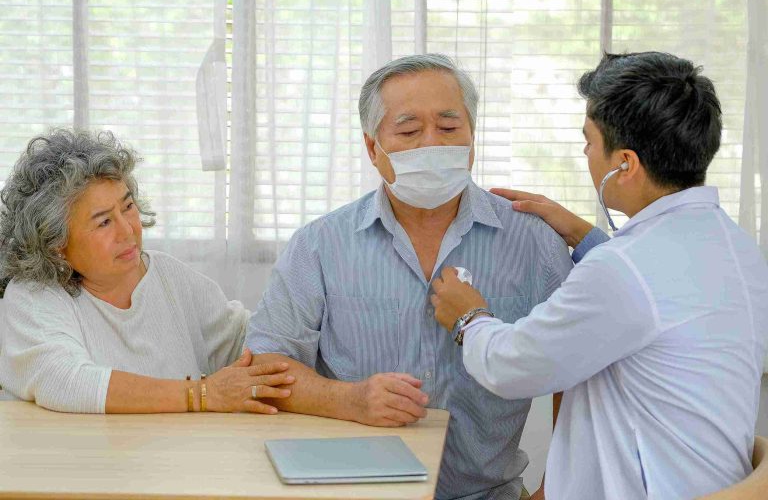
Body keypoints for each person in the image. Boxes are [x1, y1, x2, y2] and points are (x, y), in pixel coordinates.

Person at [430, 51, 768, 500]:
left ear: (624, 164)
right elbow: (657, 301)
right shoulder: (736, 248)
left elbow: (513, 365)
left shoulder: (626, 268)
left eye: (588, 142)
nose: (586, 154)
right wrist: (586, 236)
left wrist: (468, 316)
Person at [244, 53, 573, 500]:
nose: (432, 144)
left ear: (472, 138)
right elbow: (264, 368)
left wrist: (558, 488)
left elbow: (580, 372)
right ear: (372, 148)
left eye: (449, 127)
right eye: (409, 130)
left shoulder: (534, 240)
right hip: (352, 492)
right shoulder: (319, 245)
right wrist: (349, 400)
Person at [0, 129, 294, 414]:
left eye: (127, 207)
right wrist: (203, 395)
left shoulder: (168, 275)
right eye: (104, 222)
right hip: (76, 460)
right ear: (55, 243)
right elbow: (66, 381)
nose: (128, 230)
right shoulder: (32, 296)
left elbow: (246, 337)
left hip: (169, 457)